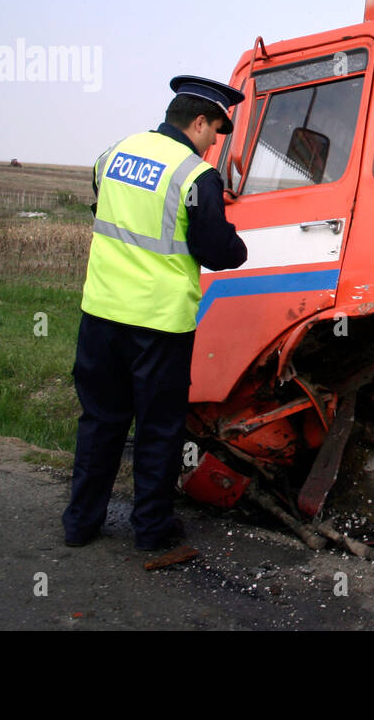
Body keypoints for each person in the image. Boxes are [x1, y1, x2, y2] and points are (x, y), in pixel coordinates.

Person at [62, 75, 248, 551]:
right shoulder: (194, 175)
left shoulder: (112, 155)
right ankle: (152, 530)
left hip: (101, 316)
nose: (212, 145)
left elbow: (110, 212)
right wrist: (238, 244)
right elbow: (217, 249)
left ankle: (80, 524)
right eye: (214, 133)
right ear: (199, 121)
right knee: (158, 430)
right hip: (159, 327)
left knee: (99, 421)